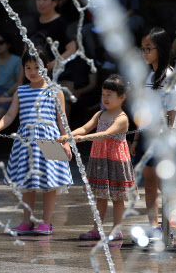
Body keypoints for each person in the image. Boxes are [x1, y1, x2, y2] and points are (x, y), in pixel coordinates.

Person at [0, 47, 73, 235]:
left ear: (46, 67)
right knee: (27, 183)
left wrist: (66, 142)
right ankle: (27, 222)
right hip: (26, 142)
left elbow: (62, 120)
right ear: (23, 69)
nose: (33, 72)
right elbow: (10, 115)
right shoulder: (21, 91)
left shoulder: (55, 91)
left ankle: (46, 222)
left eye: (37, 67)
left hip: (51, 139)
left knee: (50, 183)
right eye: (28, 68)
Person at [57, 75, 136, 241]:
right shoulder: (100, 114)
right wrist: (68, 136)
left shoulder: (122, 118)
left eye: (109, 94)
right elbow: (85, 128)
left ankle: (117, 229)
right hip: (100, 159)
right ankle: (96, 229)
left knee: (117, 197)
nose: (105, 98)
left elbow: (105, 134)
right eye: (103, 94)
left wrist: (81, 139)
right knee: (100, 195)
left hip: (116, 161)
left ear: (121, 97)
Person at [130, 27, 176, 235]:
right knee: (149, 184)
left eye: (148, 49)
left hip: (162, 137)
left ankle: (168, 224)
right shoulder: (146, 75)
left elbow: (173, 110)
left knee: (164, 185)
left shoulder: (168, 75)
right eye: (142, 49)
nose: (144, 53)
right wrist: (135, 139)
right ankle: (153, 225)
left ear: (160, 49)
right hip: (145, 136)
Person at [29, 0, 77, 64]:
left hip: (59, 71)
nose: (41, 3)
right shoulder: (33, 22)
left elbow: (72, 49)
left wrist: (51, 65)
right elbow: (26, 49)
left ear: (55, 2)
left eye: (45, 0)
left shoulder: (62, 23)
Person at [0, 32, 22, 127]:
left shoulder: (17, 60)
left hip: (8, 93)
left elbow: (19, 82)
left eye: (1, 42)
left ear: (8, 44)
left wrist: (6, 94)